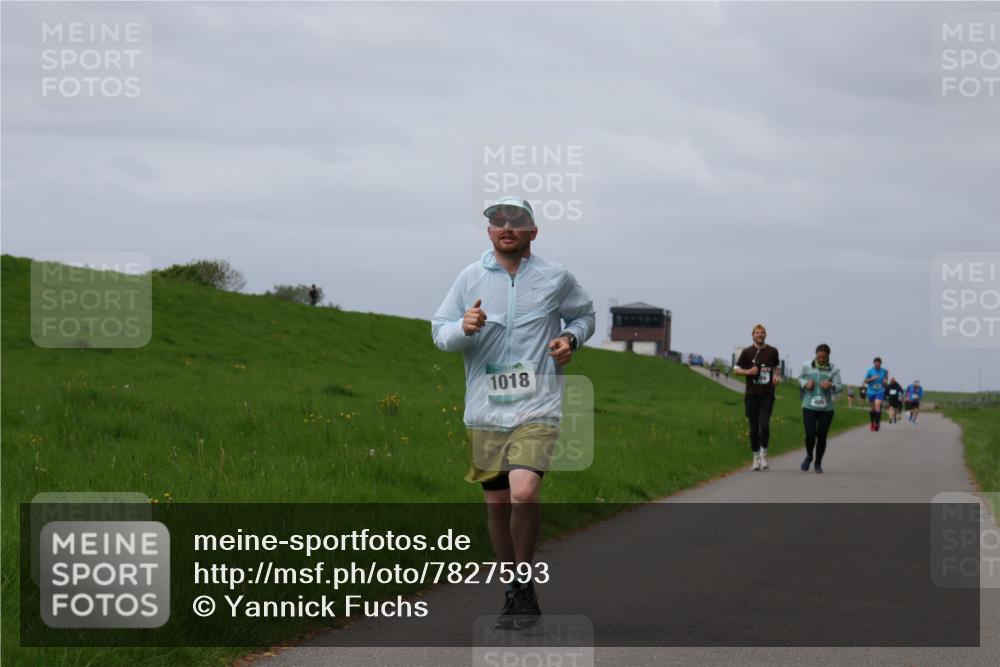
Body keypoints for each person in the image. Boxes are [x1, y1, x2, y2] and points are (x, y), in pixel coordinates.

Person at [431, 195, 595, 630]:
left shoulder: (555, 277)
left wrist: (571, 339)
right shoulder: (470, 277)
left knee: (523, 492)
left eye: (516, 221)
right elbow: (439, 331)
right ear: (489, 232)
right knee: (498, 506)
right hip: (485, 411)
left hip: (536, 406)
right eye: (497, 221)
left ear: (532, 233)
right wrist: (462, 329)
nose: (506, 227)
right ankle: (515, 590)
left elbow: (585, 315)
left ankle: (522, 583)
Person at [733, 324, 781, 471]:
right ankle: (755, 457)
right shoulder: (747, 352)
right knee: (753, 428)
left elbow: (776, 368)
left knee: (764, 424)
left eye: (762, 332)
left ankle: (764, 454)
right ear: (753, 335)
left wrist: (777, 377)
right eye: (757, 333)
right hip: (752, 395)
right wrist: (749, 371)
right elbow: (736, 370)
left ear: (765, 335)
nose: (759, 335)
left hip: (767, 394)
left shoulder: (773, 351)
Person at [798, 343, 842, 473]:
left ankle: (818, 463)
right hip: (809, 405)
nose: (821, 359)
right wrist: (806, 383)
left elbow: (839, 386)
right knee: (810, 434)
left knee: (822, 435)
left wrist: (830, 384)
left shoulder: (833, 369)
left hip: (826, 408)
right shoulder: (807, 366)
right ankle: (809, 456)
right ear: (816, 355)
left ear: (828, 357)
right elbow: (799, 378)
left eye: (824, 357)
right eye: (819, 357)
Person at [863, 357, 889, 432]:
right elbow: (865, 381)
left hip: (880, 391)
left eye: (878, 363)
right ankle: (872, 423)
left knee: (877, 406)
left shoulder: (884, 371)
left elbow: (886, 379)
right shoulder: (870, 371)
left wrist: (885, 381)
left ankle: (877, 424)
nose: (877, 365)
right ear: (874, 364)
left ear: (880, 364)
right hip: (871, 391)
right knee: (872, 409)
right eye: (876, 363)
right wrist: (872, 378)